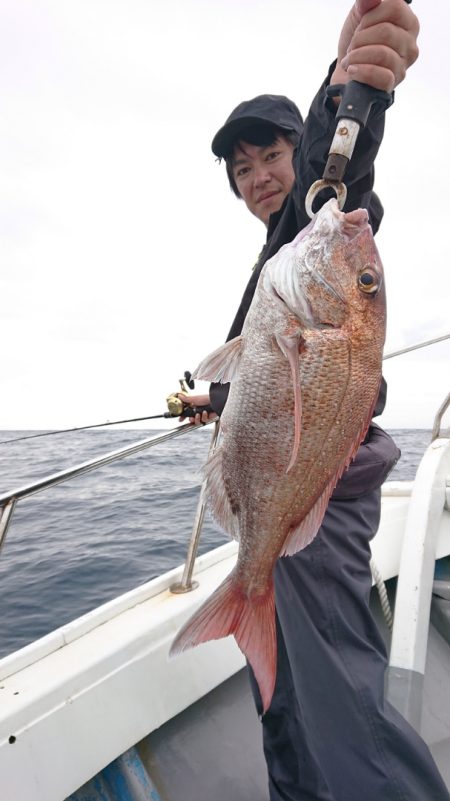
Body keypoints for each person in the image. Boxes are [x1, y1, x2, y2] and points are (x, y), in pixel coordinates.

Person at [180, 1, 450, 799]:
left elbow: (345, 176)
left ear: (301, 155)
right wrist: (216, 398)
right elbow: (266, 373)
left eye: (271, 154)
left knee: (341, 704)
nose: (259, 175)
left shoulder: (320, 225)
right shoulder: (282, 263)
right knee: (288, 698)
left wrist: (349, 93)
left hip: (317, 493)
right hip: (282, 480)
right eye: (242, 169)